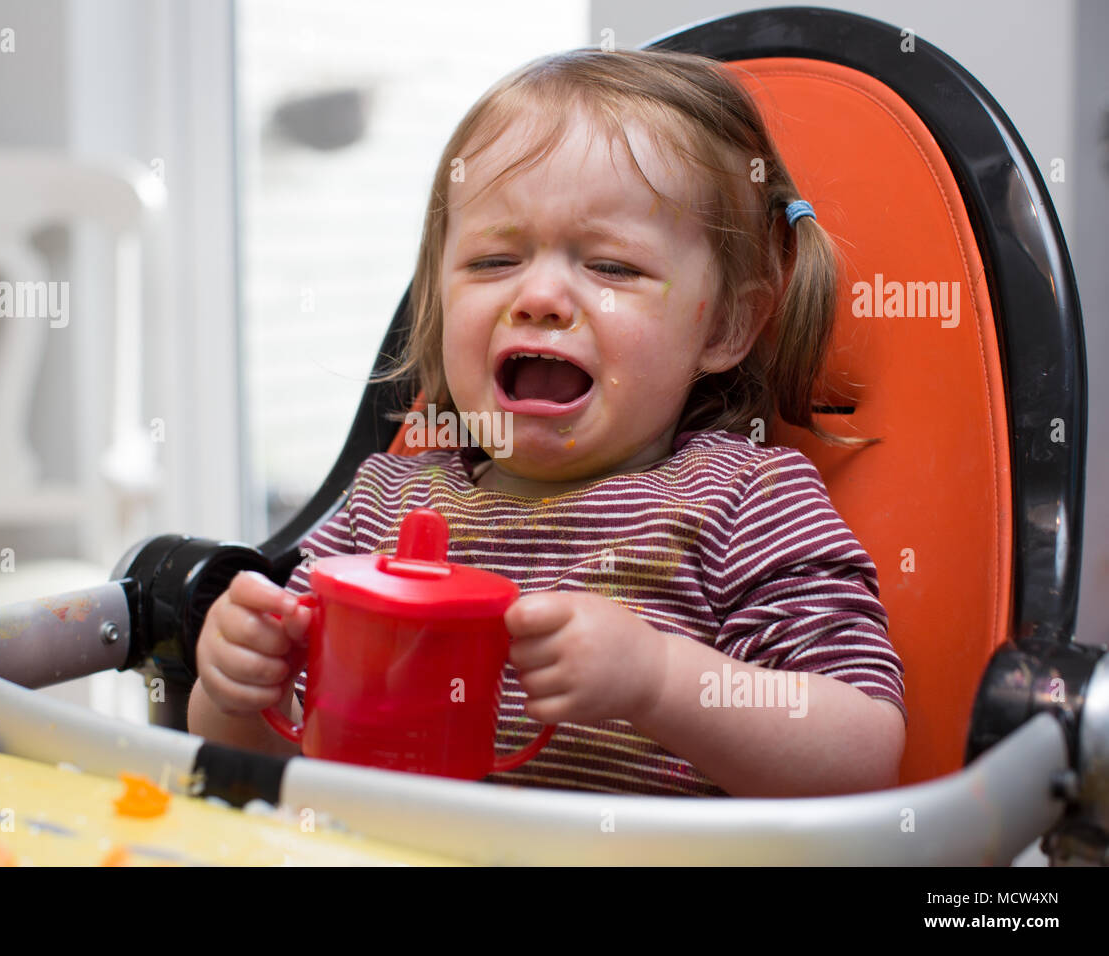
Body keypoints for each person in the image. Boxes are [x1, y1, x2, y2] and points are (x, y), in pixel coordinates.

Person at [188, 47, 906, 797]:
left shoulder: (744, 503)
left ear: (726, 326)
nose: (538, 297)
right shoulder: (382, 509)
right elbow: (257, 776)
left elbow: (861, 754)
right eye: (494, 261)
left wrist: (658, 680)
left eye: (612, 267)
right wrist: (239, 690)